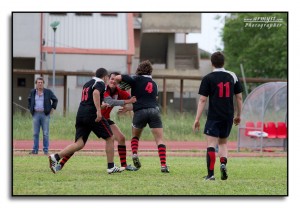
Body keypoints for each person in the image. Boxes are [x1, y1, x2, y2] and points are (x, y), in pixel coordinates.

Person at [55, 72, 138, 172]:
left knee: (121, 138)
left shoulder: (118, 91)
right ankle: (61, 164)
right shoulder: (104, 88)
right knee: (79, 144)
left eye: (116, 80)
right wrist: (127, 102)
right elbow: (110, 101)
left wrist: (130, 106)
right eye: (111, 79)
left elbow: (134, 100)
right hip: (94, 118)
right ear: (108, 79)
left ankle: (124, 165)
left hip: (105, 118)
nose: (113, 81)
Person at [193, 51, 243, 181]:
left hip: (214, 115)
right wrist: (239, 115)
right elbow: (239, 97)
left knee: (211, 144)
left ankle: (211, 175)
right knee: (223, 143)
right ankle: (222, 164)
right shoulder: (232, 76)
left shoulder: (208, 78)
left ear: (212, 63)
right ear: (223, 62)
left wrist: (197, 119)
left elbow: (202, 100)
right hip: (228, 115)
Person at [114, 60, 169, 173]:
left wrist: (117, 82)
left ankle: (134, 154)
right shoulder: (154, 84)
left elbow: (118, 77)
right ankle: (163, 165)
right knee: (159, 140)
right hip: (154, 111)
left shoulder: (135, 79)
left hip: (140, 112)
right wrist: (129, 108)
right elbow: (150, 100)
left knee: (135, 136)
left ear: (139, 70)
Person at [28, 77, 58, 155]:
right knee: (35, 133)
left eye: (41, 82)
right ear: (36, 84)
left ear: (43, 83)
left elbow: (55, 100)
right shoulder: (33, 92)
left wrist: (52, 109)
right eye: (38, 82)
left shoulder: (48, 92)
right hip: (36, 114)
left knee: (45, 133)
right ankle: (35, 150)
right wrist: (30, 108)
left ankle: (45, 150)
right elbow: (29, 100)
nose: (40, 84)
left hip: (45, 115)